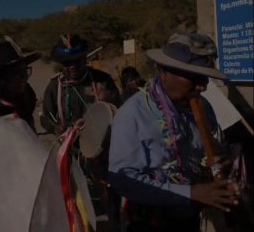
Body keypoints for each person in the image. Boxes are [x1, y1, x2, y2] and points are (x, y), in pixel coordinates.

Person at [108, 32, 240, 232]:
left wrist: (222, 160)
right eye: (194, 77)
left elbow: (213, 148)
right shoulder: (132, 114)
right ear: (164, 72)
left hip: (188, 219)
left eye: (204, 78)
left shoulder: (203, 106)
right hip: (149, 223)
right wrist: (190, 192)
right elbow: (123, 180)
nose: (202, 86)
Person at [40, 34, 121, 135]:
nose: (73, 66)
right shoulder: (55, 87)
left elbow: (118, 111)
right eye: (67, 63)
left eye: (77, 61)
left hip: (101, 142)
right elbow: (46, 118)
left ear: (85, 58)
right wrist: (55, 128)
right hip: (69, 145)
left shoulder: (103, 80)